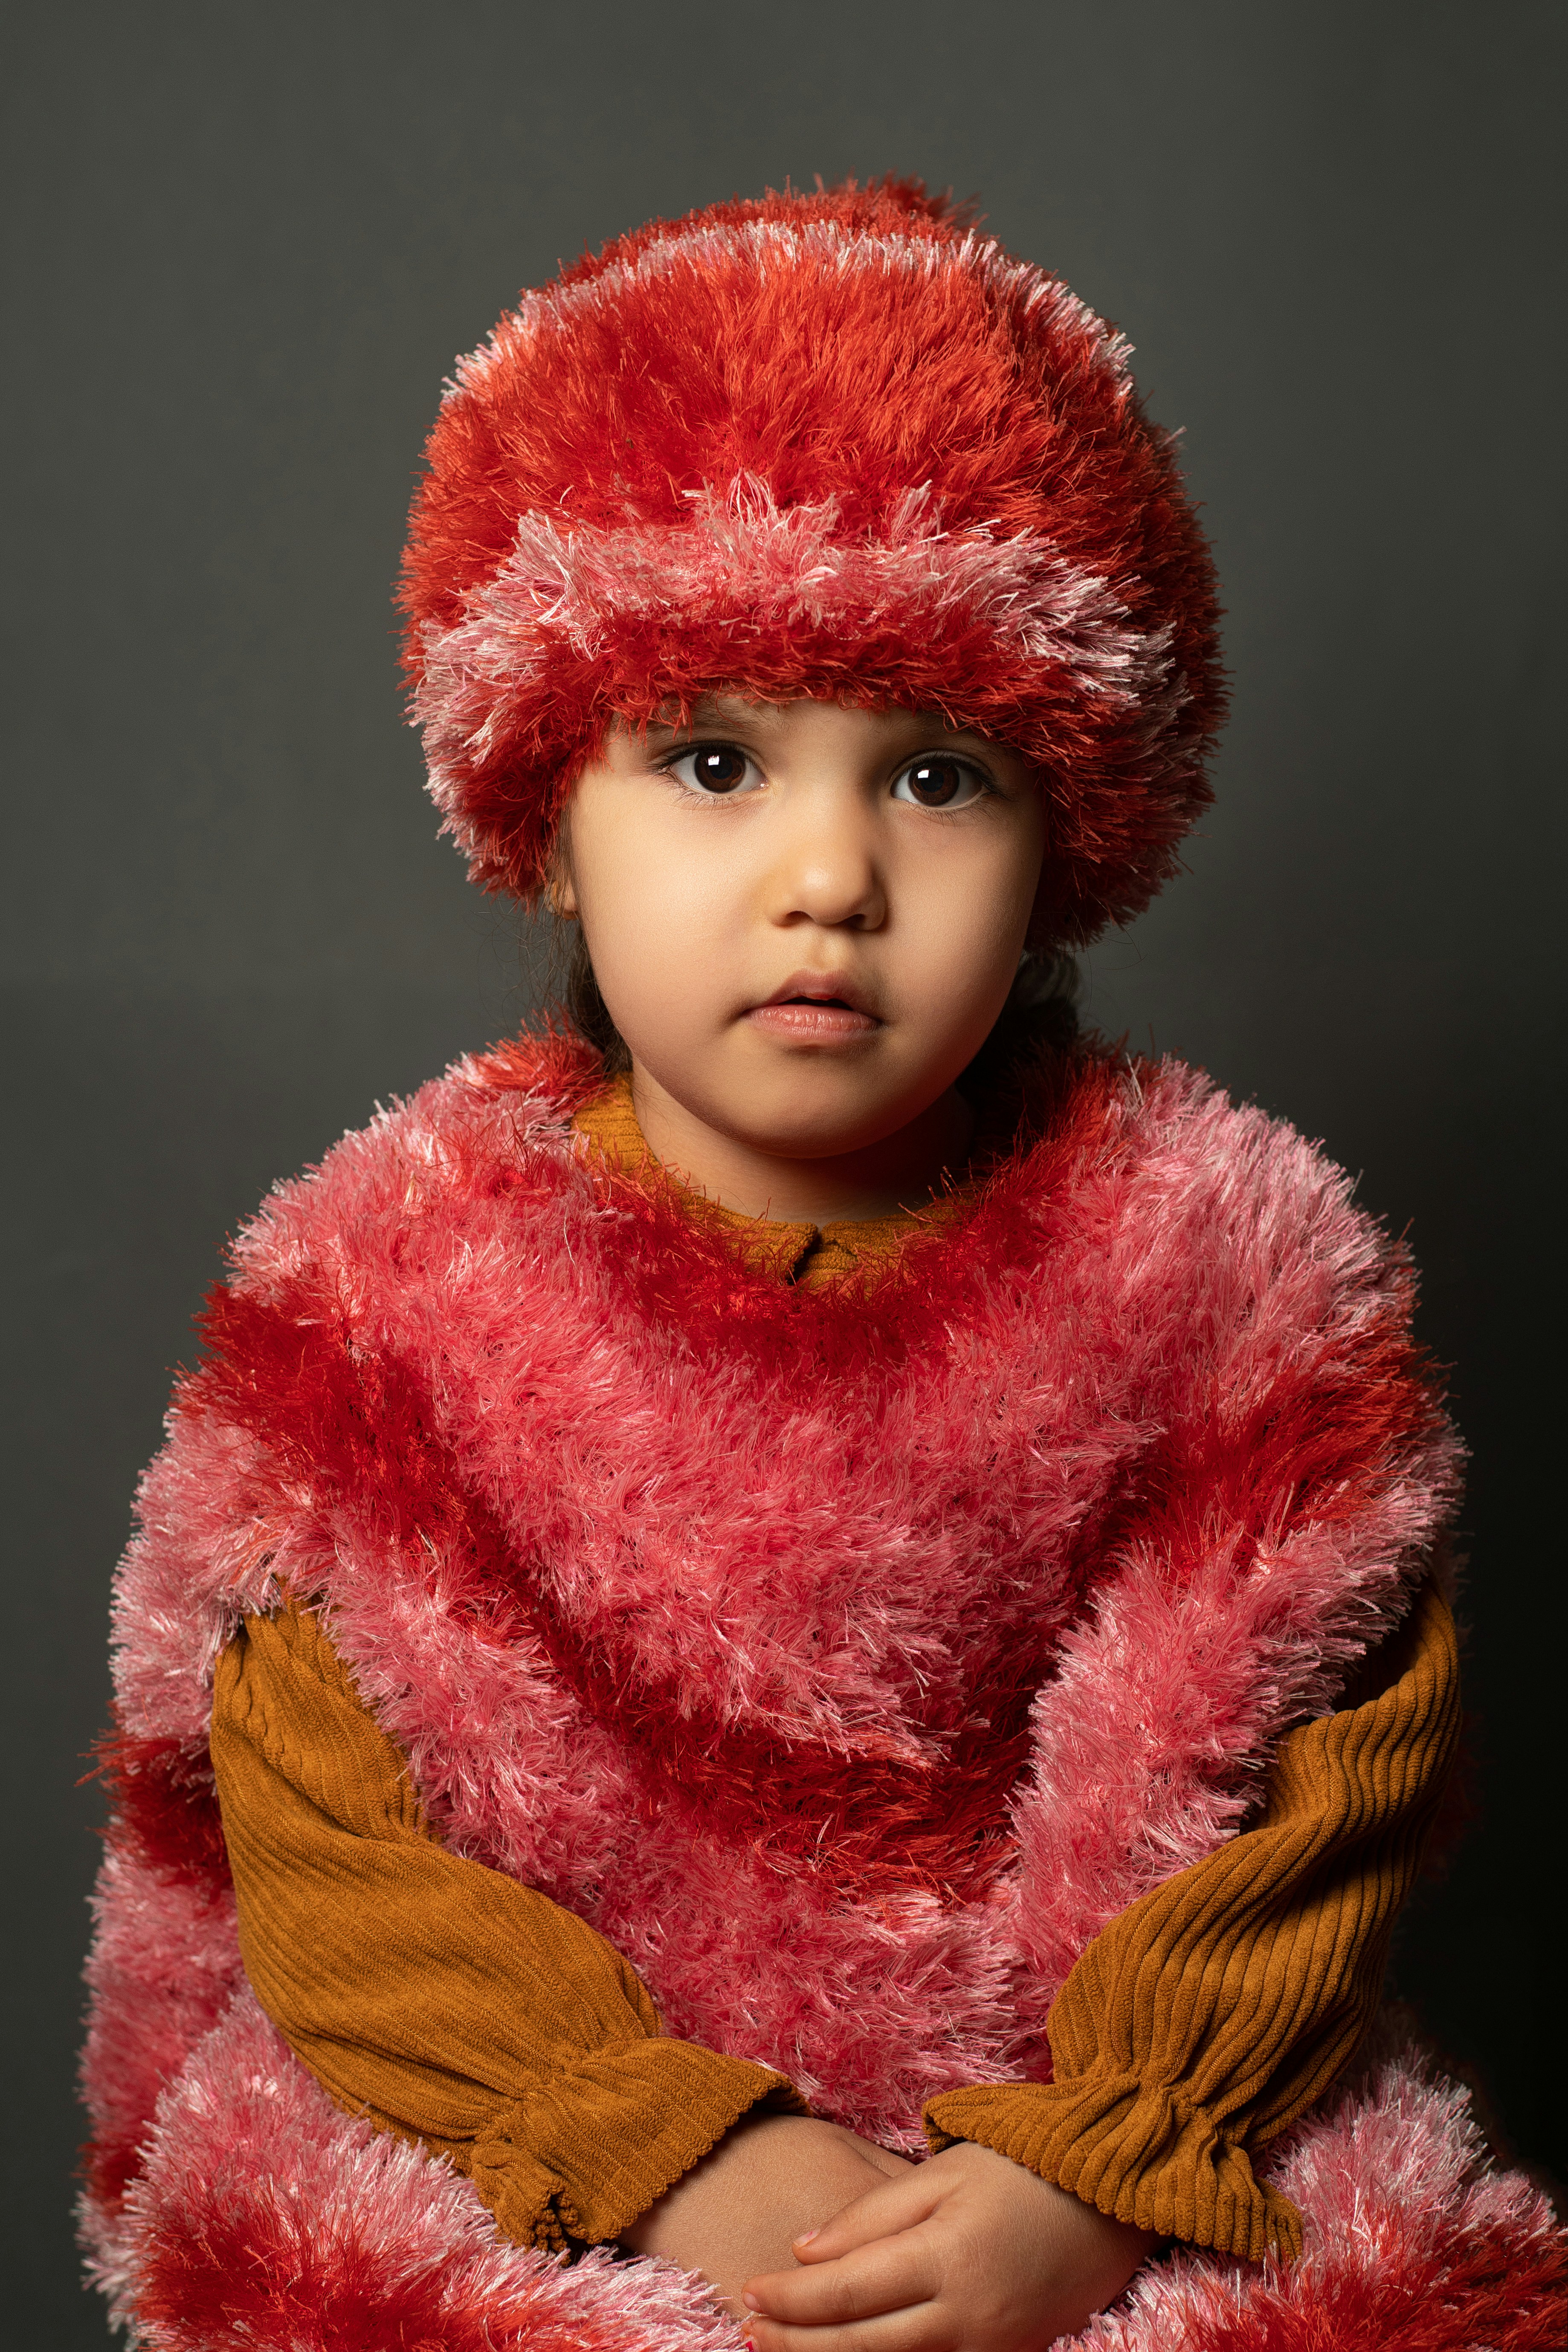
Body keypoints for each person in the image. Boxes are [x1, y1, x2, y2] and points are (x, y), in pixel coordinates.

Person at [79, 180, 1564, 2352]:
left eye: (936, 777)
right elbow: (337, 1861)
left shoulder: (1224, 1273)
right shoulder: (389, 1283)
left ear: (1064, 838)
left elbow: (1311, 1791)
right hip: (519, 2115)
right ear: (547, 813)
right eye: (712, 759)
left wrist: (1094, 2160)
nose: (827, 877)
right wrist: (670, 2147)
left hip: (1089, 2118)